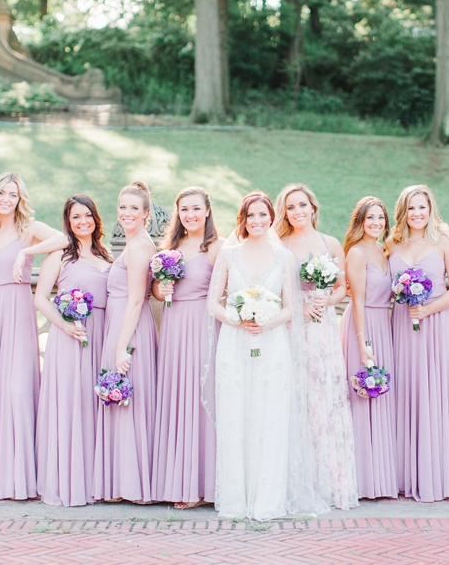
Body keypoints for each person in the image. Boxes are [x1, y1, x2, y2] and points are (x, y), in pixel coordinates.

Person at [206, 191, 327, 520]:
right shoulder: (228, 256)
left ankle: (267, 501)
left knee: (269, 418)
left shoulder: (283, 257)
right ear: (242, 220)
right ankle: (235, 500)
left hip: (272, 344)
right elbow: (213, 303)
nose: (256, 221)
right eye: (250, 215)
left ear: (271, 218)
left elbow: (290, 308)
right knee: (236, 415)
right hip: (234, 343)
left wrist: (265, 322)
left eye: (262, 215)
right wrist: (238, 319)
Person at [0, 172, 64, 500]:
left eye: (14, 194)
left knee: (17, 390)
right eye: (2, 193)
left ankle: (21, 478)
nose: (7, 199)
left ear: (20, 200)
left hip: (19, 313)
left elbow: (63, 239)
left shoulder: (29, 229)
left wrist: (24, 254)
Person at [274, 183, 359, 511]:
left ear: (313, 207)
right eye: (290, 207)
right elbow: (275, 289)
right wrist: (298, 304)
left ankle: (329, 482)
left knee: (324, 398)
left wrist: (327, 298)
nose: (297, 212)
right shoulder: (279, 245)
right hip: (293, 327)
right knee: (297, 397)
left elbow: (342, 288)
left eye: (302, 205)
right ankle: (296, 480)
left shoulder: (331, 243)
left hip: (323, 329)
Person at [388, 185, 449, 502]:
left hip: (437, 326)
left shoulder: (445, 242)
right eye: (411, 208)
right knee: (407, 393)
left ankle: (436, 475)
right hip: (402, 328)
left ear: (431, 209)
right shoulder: (392, 243)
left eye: (422, 207)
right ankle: (405, 475)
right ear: (403, 212)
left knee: (435, 395)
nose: (417, 214)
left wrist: (428, 308)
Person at [34, 195, 112, 507]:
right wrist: (66, 326)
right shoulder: (59, 257)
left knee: (95, 406)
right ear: (68, 222)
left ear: (96, 219)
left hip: (103, 335)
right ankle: (69, 482)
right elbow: (40, 299)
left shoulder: (106, 255)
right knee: (72, 405)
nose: (83, 222)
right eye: (76, 217)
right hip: (72, 337)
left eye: (88, 216)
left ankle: (96, 481)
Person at [151, 187, 224, 509]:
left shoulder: (216, 248)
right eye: (184, 210)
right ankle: (178, 482)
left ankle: (204, 485)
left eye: (196, 209)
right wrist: (159, 287)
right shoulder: (170, 247)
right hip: (173, 327)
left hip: (203, 326)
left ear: (207, 211)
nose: (190, 215)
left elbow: (229, 289)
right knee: (176, 397)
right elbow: (154, 291)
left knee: (202, 398)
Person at [94, 181, 159, 504]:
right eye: (123, 207)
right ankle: (120, 480)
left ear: (146, 214)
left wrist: (121, 346)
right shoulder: (131, 244)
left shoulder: (139, 247)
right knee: (120, 400)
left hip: (129, 328)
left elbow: (136, 300)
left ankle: (132, 484)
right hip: (118, 325)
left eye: (135, 208)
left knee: (129, 399)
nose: (127, 213)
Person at [339, 196, 398, 500]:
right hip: (362, 326)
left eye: (381, 218)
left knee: (381, 398)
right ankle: (361, 479)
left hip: (383, 326)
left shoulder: (385, 250)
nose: (376, 223)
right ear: (360, 221)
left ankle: (381, 477)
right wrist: (363, 343)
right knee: (361, 398)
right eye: (370, 218)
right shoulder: (358, 253)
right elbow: (357, 301)